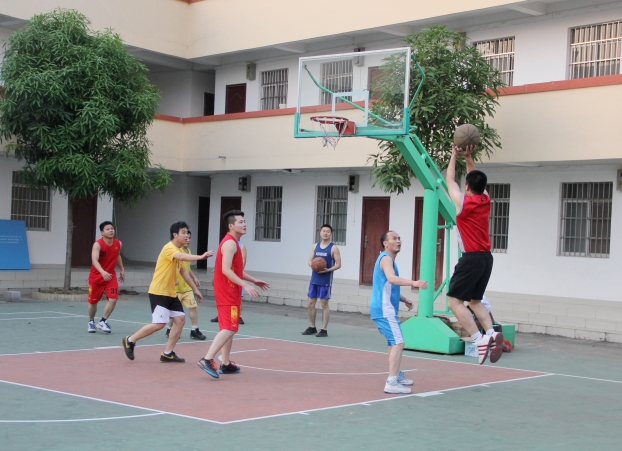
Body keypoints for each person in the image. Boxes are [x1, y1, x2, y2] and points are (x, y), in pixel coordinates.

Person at [445, 143, 504, 365]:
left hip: (470, 258)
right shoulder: (485, 199)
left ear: (467, 186)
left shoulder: (463, 202)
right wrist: (468, 157)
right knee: (475, 300)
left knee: (454, 302)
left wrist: (454, 155)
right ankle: (492, 333)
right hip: (487, 258)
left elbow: (450, 180)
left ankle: (479, 340)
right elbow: (475, 177)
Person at [122, 222, 209, 363]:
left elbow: (183, 271)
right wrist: (200, 257)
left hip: (171, 293)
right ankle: (130, 340)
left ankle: (168, 353)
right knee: (159, 324)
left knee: (180, 320)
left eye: (187, 232)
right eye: (183, 232)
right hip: (159, 291)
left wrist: (195, 289)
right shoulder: (169, 248)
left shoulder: (179, 250)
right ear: (175, 234)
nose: (187, 235)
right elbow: (181, 257)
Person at [197, 210, 269, 378]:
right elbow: (225, 270)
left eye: (244, 221)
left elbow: (236, 270)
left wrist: (253, 280)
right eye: (240, 222)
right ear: (231, 226)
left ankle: (226, 363)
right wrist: (245, 285)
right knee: (230, 327)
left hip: (230, 291)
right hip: (227, 292)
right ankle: (207, 359)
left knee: (228, 327)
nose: (244, 224)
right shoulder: (230, 243)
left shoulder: (234, 243)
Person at [370, 231, 428, 394]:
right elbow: (392, 279)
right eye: (394, 239)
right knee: (398, 343)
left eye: (399, 238)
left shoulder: (388, 259)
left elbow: (387, 285)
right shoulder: (386, 259)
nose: (398, 241)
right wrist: (413, 282)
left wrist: (403, 299)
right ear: (385, 243)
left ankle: (396, 374)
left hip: (383, 308)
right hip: (384, 310)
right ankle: (392, 382)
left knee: (393, 342)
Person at [165, 231, 214, 340]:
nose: (187, 240)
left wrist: (194, 277)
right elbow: (174, 267)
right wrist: (174, 279)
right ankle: (169, 329)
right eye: (185, 237)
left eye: (189, 238)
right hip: (176, 288)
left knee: (193, 307)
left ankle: (194, 330)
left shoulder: (189, 251)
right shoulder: (177, 251)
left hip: (187, 288)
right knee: (175, 311)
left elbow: (186, 268)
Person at [301, 224, 341, 337]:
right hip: (314, 279)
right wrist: (312, 265)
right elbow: (310, 260)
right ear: (320, 233)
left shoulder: (333, 248)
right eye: (324, 231)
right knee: (310, 303)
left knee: (324, 304)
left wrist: (328, 270)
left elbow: (339, 264)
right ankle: (312, 327)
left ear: (331, 234)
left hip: (325, 280)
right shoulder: (315, 246)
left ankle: (324, 330)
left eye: (328, 231)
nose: (325, 233)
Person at [87, 221, 125, 333]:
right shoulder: (97, 244)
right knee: (93, 302)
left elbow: (117, 256)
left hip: (110, 277)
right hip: (96, 277)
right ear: (102, 232)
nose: (111, 230)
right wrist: (102, 272)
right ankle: (91, 321)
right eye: (107, 229)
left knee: (113, 299)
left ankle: (103, 321)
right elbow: (94, 260)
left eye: (112, 228)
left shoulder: (118, 243)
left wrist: (122, 269)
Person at [210, 240, 247, 325]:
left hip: (234, 276)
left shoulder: (241, 246)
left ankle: (237, 317)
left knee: (237, 297)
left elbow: (242, 262)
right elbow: (221, 262)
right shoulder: (226, 243)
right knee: (222, 297)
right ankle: (221, 315)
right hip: (224, 277)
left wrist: (237, 274)